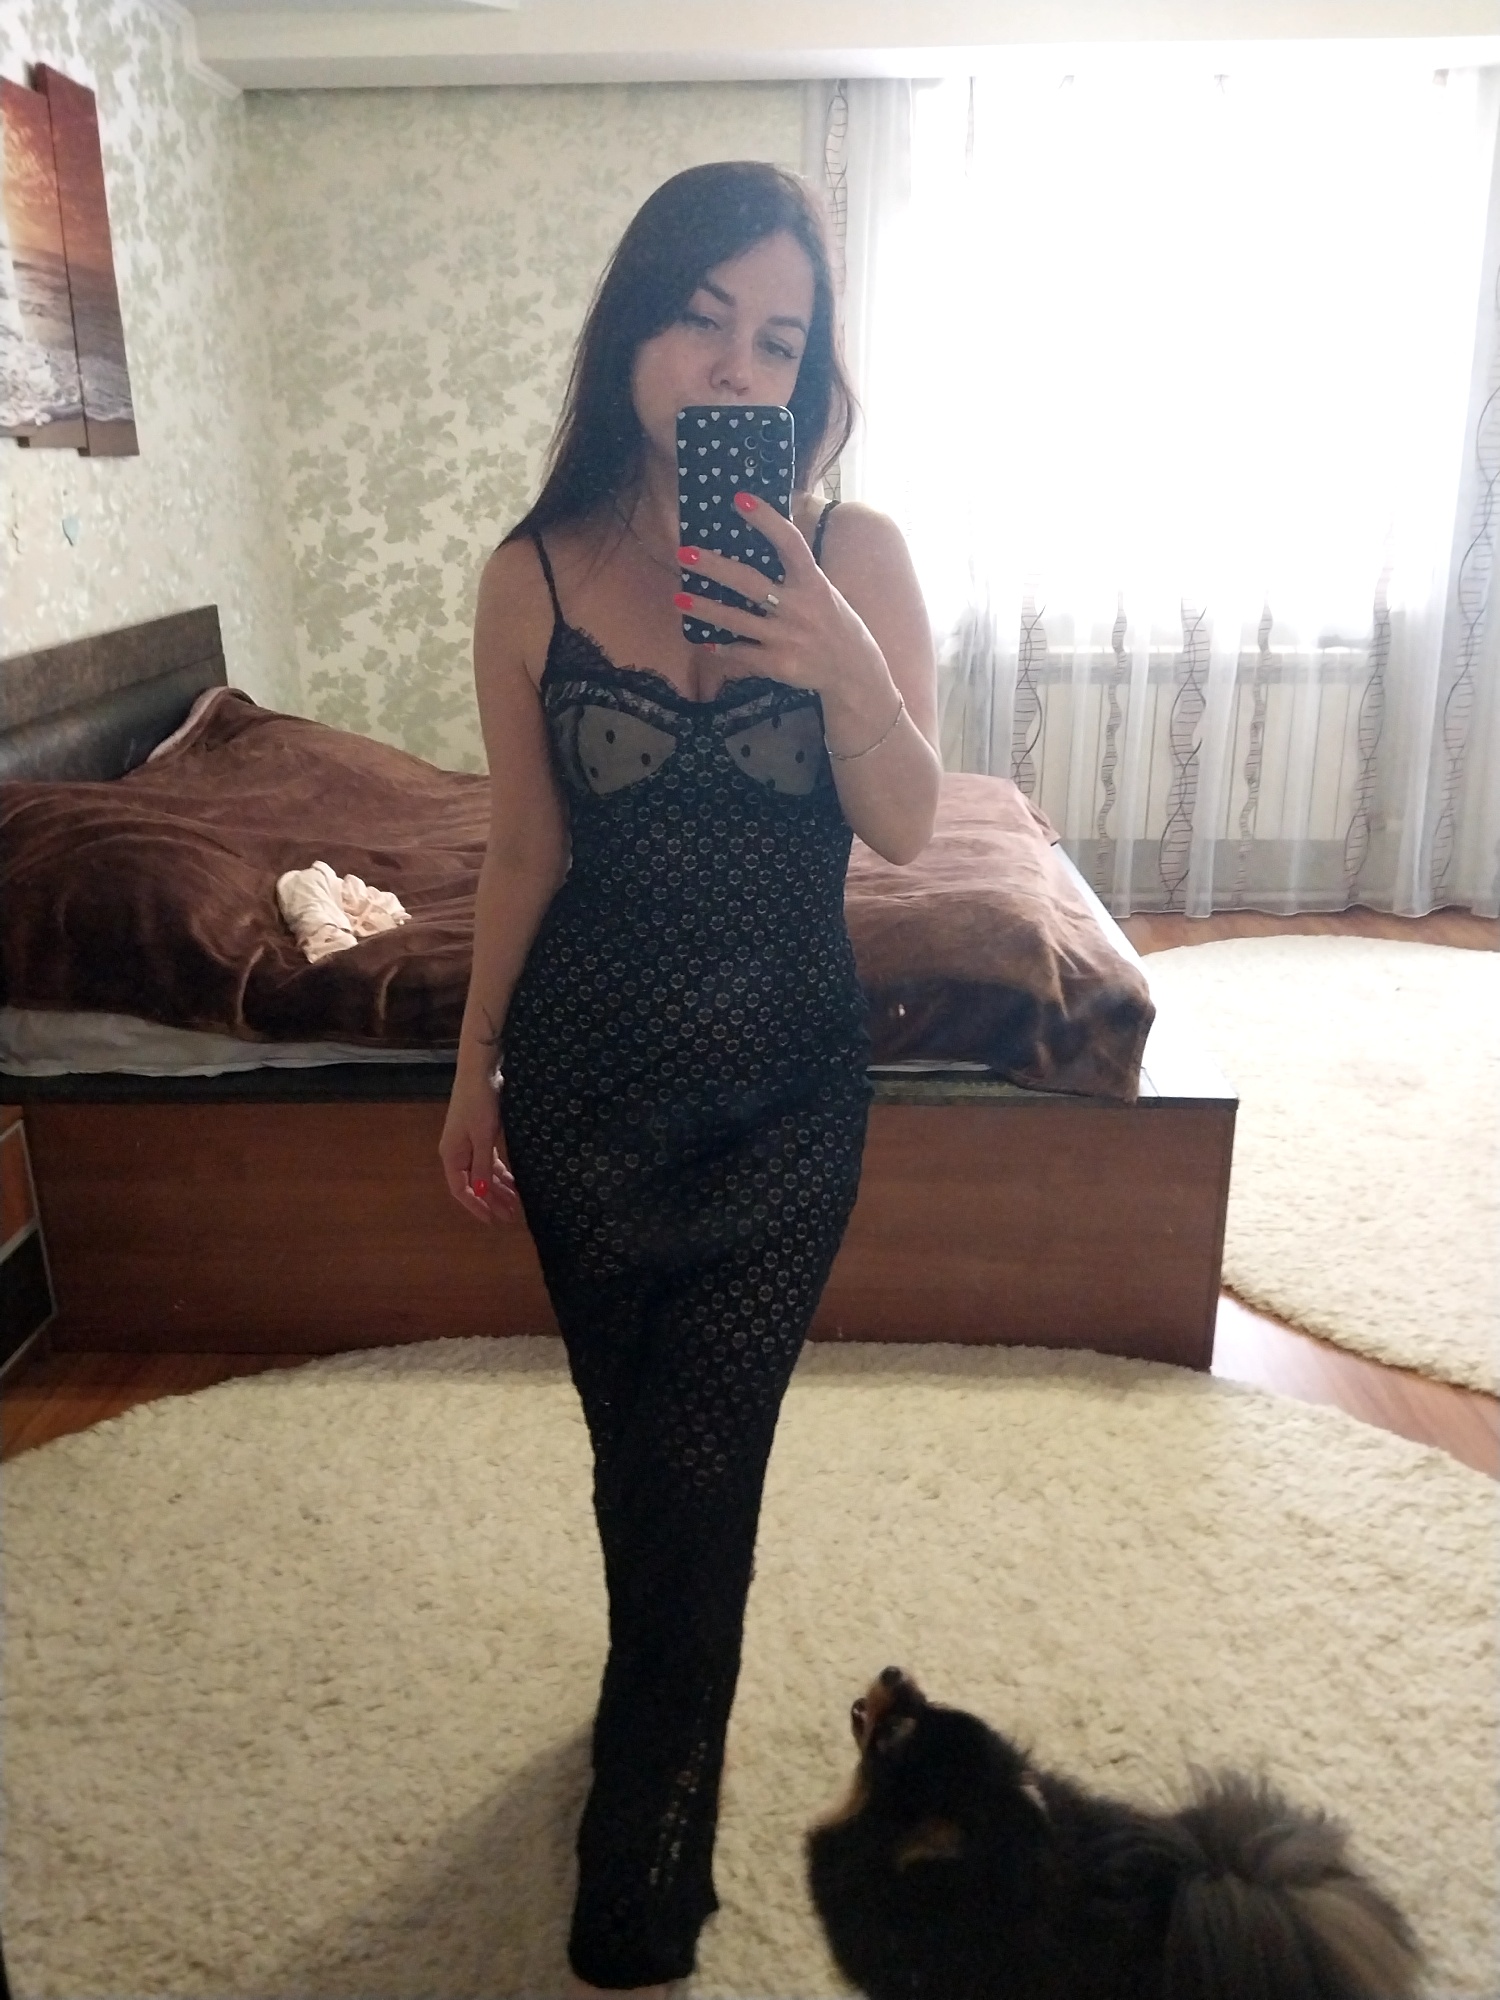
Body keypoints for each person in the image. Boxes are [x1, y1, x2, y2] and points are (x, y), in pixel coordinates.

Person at [439, 159, 941, 1997]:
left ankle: (649, 1821)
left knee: (705, 1455)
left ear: (810, 374)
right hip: (584, 1094)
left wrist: (839, 659)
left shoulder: (855, 557)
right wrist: (473, 1064)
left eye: (779, 340)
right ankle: (649, 1686)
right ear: (636, 332)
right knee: (633, 1446)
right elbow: (523, 851)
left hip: (789, 1100)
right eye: (704, 318)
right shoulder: (530, 576)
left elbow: (909, 826)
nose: (738, 365)